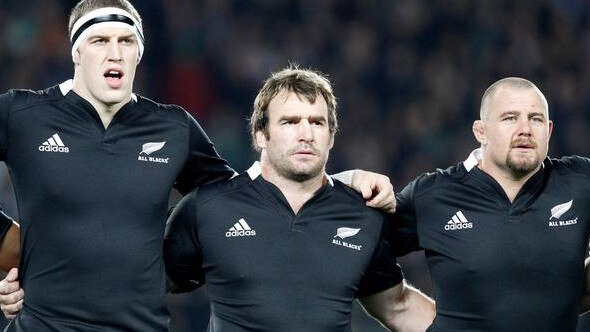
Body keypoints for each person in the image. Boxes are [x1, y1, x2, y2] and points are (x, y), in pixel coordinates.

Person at [0, 0, 396, 331]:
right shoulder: (21, 113)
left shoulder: (172, 127)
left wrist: (341, 179)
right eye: (99, 40)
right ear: (75, 51)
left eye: (126, 41)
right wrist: (7, 245)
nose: (114, 53)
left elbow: (246, 196)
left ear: (139, 53)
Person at [163, 67, 435, 332]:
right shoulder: (209, 207)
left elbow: (398, 306)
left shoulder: (363, 215)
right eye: (290, 122)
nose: (306, 134)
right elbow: (142, 287)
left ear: (331, 137)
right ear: (261, 135)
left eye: (317, 122)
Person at [392, 77, 590, 332]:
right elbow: (363, 252)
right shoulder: (432, 195)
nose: (525, 129)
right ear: (480, 132)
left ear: (549, 131)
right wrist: (402, 308)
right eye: (509, 118)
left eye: (536, 119)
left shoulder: (580, 183)